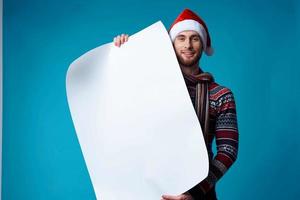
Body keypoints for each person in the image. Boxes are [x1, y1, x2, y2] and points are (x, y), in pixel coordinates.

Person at [113, 8, 239, 200]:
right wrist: (124, 52)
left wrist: (194, 192)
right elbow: (120, 107)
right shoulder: (150, 86)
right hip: (148, 190)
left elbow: (228, 151)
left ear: (203, 44)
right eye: (181, 38)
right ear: (171, 44)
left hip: (199, 194)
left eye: (194, 38)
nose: (188, 45)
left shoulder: (220, 95)